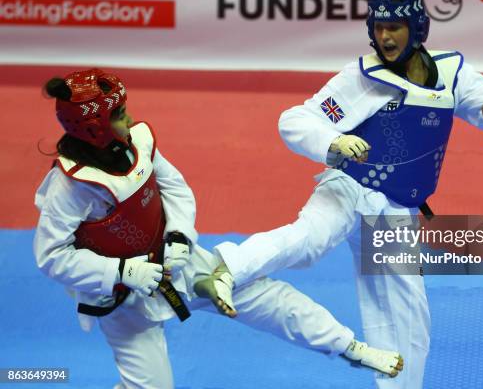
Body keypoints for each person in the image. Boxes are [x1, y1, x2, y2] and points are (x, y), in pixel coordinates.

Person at [200, 0, 483, 389]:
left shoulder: (452, 72)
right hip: (348, 188)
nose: (384, 37)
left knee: (408, 318)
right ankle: (222, 269)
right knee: (308, 241)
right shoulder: (363, 77)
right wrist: (333, 140)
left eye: (394, 28)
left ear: (417, 28)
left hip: (393, 213)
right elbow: (295, 120)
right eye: (378, 27)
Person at [33, 68, 406, 389]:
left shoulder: (139, 142)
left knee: (268, 299)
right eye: (118, 114)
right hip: (123, 299)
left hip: (176, 260)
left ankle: (348, 346)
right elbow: (51, 257)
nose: (129, 119)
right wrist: (122, 271)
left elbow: (174, 187)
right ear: (93, 127)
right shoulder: (68, 186)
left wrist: (179, 235)